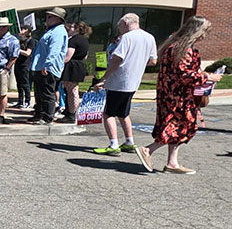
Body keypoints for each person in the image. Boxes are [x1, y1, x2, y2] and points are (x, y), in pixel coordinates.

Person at [135, 16, 221, 174]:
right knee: (179, 127)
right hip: (178, 97)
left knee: (177, 126)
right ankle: (148, 150)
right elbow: (184, 75)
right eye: (205, 31)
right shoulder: (183, 49)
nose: (206, 35)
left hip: (171, 94)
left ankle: (172, 163)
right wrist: (208, 77)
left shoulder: (176, 46)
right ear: (196, 30)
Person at [93, 13, 158, 155]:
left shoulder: (127, 37)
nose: (120, 30)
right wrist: (137, 64)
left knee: (108, 113)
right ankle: (129, 142)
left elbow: (117, 59)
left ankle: (113, 145)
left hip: (118, 81)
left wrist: (104, 78)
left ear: (126, 23)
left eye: (120, 27)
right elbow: (153, 61)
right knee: (123, 113)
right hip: (134, 82)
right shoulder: (149, 37)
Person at [28, 7, 69, 125]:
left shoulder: (58, 32)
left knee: (47, 93)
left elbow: (54, 50)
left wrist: (47, 65)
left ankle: (48, 117)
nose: (47, 19)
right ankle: (39, 113)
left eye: (50, 17)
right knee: (39, 93)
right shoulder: (50, 30)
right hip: (39, 66)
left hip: (48, 68)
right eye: (47, 16)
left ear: (58, 19)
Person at [59, 21, 91, 123]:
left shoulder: (73, 40)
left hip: (72, 66)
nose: (70, 29)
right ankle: (69, 110)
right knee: (70, 90)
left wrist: (59, 64)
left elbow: (67, 57)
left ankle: (71, 114)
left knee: (72, 91)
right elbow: (85, 56)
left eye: (72, 27)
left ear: (77, 29)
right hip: (79, 65)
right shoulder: (85, 40)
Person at [12, 26, 35, 109]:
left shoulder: (31, 41)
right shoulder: (20, 41)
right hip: (18, 63)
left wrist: (18, 50)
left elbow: (28, 53)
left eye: (23, 29)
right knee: (19, 83)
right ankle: (20, 101)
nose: (21, 30)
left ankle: (27, 102)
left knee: (25, 83)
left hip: (25, 64)